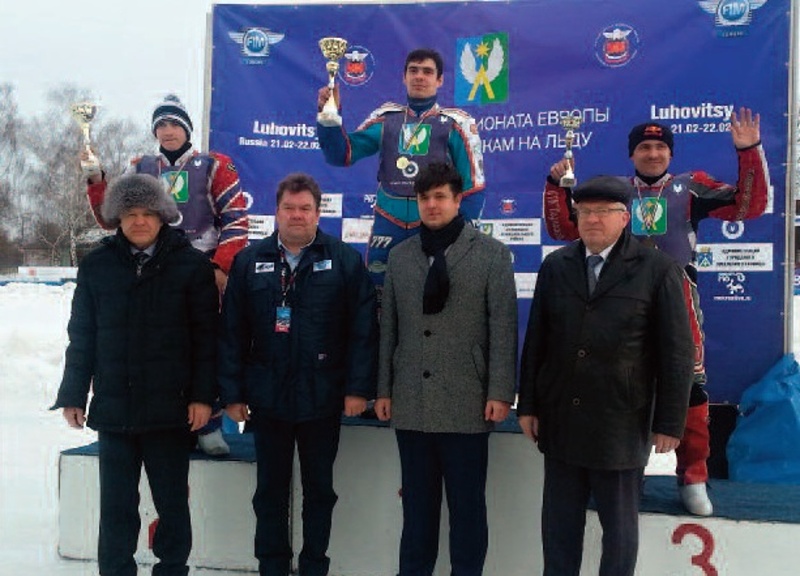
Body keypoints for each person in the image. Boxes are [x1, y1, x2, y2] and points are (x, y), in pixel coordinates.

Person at [542, 109, 769, 516]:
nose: (652, 153)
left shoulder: (691, 187)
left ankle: (693, 475)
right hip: (620, 300)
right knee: (622, 382)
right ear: (632, 155)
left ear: (670, 153)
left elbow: (747, 207)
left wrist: (748, 150)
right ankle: (630, 471)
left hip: (678, 296)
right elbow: (564, 230)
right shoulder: (614, 192)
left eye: (660, 146)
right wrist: (555, 184)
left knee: (691, 388)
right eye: (644, 147)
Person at [518, 176, 694, 576]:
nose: (592, 220)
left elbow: (676, 353)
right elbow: (537, 343)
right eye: (584, 212)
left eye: (603, 212)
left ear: (624, 216)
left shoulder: (657, 269)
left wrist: (669, 422)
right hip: (561, 419)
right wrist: (527, 404)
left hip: (620, 423)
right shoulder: (556, 266)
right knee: (559, 529)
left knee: (618, 533)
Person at [52, 173, 219, 576]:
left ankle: (172, 569)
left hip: (171, 410)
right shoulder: (97, 266)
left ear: (163, 215)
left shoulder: (191, 266)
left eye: (147, 212)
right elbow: (83, 335)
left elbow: (207, 338)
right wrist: (74, 393)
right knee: (116, 506)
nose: (139, 221)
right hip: (114, 410)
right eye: (130, 213)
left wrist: (201, 397)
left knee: (172, 504)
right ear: (117, 218)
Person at [218, 173, 378, 576]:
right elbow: (232, 332)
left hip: (322, 399)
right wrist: (232, 394)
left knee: (319, 492)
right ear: (276, 211)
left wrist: (358, 389)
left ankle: (313, 566)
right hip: (266, 400)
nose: (297, 216)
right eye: (289, 208)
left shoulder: (343, 260)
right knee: (269, 492)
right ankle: (271, 566)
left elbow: (363, 331)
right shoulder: (249, 261)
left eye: (305, 208)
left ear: (317, 212)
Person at [81, 94, 250, 456]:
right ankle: (165, 420)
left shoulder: (214, 164)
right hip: (155, 270)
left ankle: (211, 424)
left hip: (201, 269)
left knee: (206, 344)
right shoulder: (140, 166)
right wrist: (95, 179)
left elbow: (237, 220)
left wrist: (220, 266)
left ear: (186, 129)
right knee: (161, 346)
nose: (168, 131)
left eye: (174, 124)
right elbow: (111, 217)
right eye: (161, 125)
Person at [375, 162, 517, 576]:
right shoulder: (400, 257)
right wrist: (384, 390)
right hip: (412, 404)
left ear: (458, 200)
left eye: (440, 196)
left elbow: (503, 329)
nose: (431, 205)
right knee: (417, 512)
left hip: (468, 404)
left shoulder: (492, 254)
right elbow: (391, 331)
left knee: (467, 511)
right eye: (424, 197)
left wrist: (500, 392)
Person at [317, 48, 485, 294]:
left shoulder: (456, 123)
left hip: (435, 225)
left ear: (440, 80)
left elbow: (473, 186)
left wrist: (461, 239)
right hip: (389, 222)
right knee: (379, 299)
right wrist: (328, 115)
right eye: (413, 70)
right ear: (403, 77)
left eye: (427, 72)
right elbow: (341, 154)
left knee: (438, 298)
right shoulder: (386, 118)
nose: (419, 76)